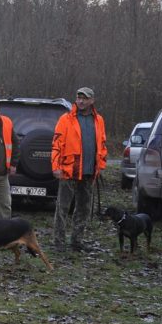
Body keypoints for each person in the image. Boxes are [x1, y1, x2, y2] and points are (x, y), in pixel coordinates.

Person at [52, 87, 107, 252]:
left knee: (83, 208)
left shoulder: (99, 120)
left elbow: (102, 145)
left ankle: (77, 241)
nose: (81, 101)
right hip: (68, 171)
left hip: (89, 172)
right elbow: (56, 145)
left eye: (85, 98)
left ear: (92, 101)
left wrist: (100, 165)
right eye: (79, 97)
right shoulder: (65, 119)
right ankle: (58, 243)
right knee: (62, 208)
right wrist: (56, 167)